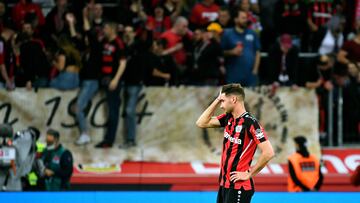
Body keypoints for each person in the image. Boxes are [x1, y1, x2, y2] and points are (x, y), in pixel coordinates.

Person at [196, 83, 275, 203]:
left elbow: (268, 152)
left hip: (239, 186)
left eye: (222, 101)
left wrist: (249, 174)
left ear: (233, 99)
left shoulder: (251, 123)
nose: (221, 106)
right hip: (224, 185)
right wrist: (217, 99)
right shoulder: (228, 118)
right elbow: (201, 123)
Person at [95, 21, 127, 148]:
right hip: (104, 78)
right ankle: (108, 139)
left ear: (113, 29)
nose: (104, 29)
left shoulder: (118, 43)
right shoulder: (104, 42)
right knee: (109, 109)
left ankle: (109, 140)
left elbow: (123, 64)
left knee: (113, 110)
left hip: (113, 80)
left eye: (106, 27)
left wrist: (115, 80)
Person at [221, 9, 261, 86]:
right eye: (243, 18)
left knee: (251, 98)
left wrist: (255, 70)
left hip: (250, 76)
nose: (245, 20)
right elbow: (221, 52)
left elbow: (257, 52)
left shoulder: (252, 33)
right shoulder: (227, 34)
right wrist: (231, 52)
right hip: (233, 76)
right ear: (236, 20)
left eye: (246, 18)